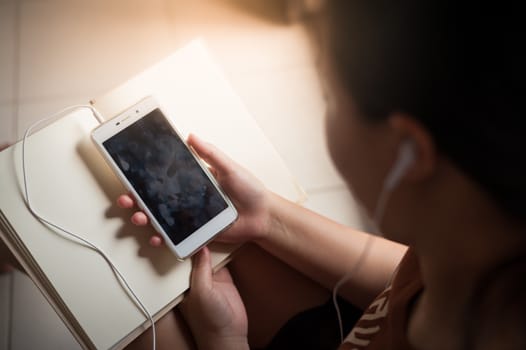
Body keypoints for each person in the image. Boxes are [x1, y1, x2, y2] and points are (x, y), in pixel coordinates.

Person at [3, 1, 525, 349]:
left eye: (328, 97)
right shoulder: (473, 242)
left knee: (65, 235)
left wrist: (225, 340)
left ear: (411, 151)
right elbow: (403, 278)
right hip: (354, 323)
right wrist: (266, 218)